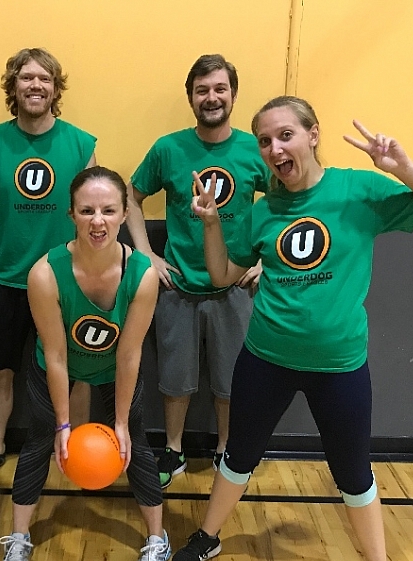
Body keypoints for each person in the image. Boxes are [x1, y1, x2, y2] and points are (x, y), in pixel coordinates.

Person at [168, 96, 413, 561]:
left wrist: (402, 168)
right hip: (266, 358)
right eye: (264, 141)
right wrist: (212, 224)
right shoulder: (263, 210)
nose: (274, 148)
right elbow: (220, 276)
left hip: (339, 366)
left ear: (312, 135)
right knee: (237, 456)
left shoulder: (360, 190)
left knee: (354, 474)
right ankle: (207, 537)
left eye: (285, 135)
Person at [0, 166, 169, 561]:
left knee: (137, 443)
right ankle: (19, 538)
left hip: (115, 368)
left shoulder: (142, 274)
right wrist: (62, 422)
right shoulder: (44, 273)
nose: (98, 221)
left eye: (109, 210)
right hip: (57, 365)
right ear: (71, 214)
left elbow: (129, 355)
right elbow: (55, 355)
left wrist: (122, 423)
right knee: (40, 442)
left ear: (125, 213)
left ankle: (157, 538)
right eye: (87, 210)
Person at [126, 54, 269, 488]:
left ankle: (228, 451)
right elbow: (131, 196)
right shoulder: (167, 148)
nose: (212, 97)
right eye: (202, 90)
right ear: (190, 97)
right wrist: (146, 254)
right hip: (179, 286)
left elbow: (288, 203)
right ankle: (173, 451)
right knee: (175, 379)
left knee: (231, 381)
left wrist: (265, 257)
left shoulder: (254, 148)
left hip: (234, 288)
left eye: (220, 89)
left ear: (233, 94)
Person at [0, 47, 96, 487]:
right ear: (13, 87)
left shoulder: (82, 143)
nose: (35, 85)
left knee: (77, 370)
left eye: (44, 79)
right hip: (4, 279)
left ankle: (74, 446)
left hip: (64, 282)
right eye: (26, 78)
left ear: (56, 89)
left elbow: (94, 212)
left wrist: (92, 275)